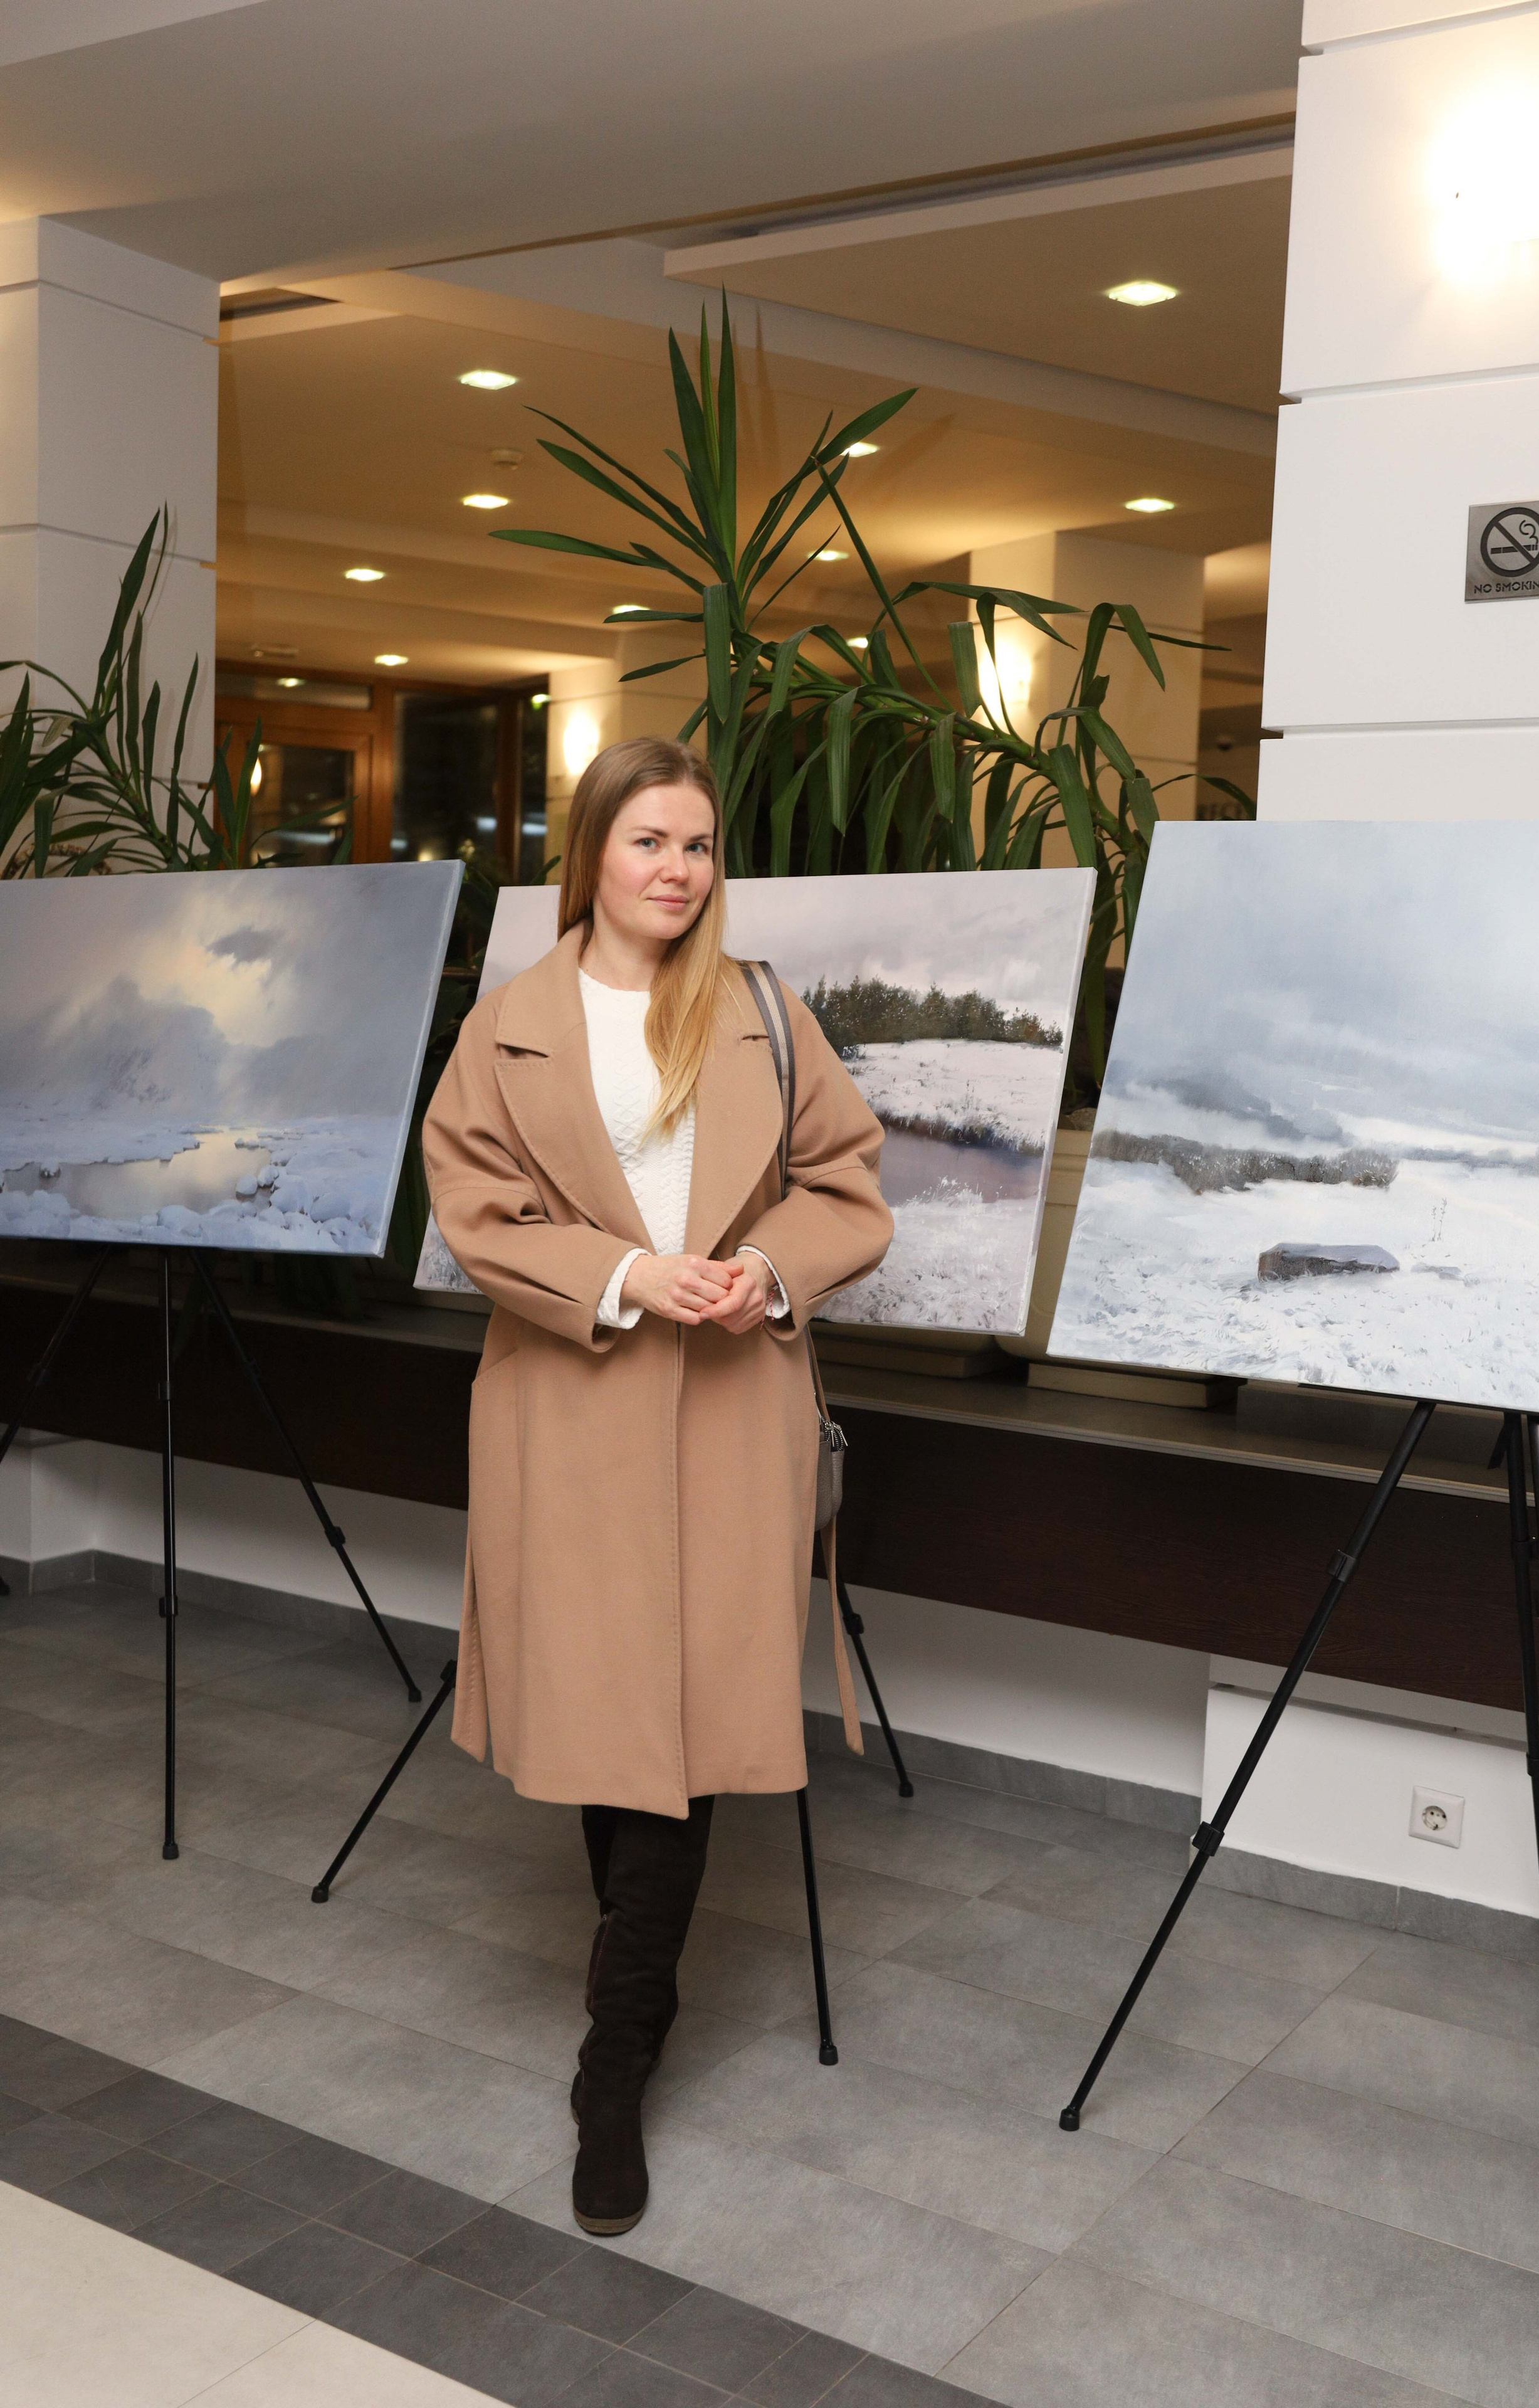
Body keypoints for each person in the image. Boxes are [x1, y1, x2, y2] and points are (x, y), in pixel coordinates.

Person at [422, 734, 893, 2236]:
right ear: (594, 854)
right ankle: (633, 2009)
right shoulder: (510, 1024)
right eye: (648, 843)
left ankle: (612, 2062)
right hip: (570, 1406)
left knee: (681, 1726)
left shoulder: (762, 1010)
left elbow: (849, 1183)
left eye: (695, 846)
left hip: (731, 1410)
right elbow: (474, 1212)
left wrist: (761, 1270)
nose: (676, 870)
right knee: (603, 1714)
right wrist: (627, 1272)